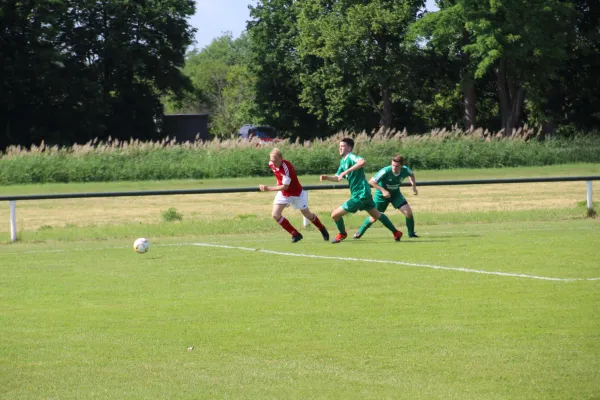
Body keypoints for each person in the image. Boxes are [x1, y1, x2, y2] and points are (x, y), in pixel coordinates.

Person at [319, 138, 403, 244]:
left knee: (335, 215)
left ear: (349, 148)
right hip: (363, 192)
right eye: (339, 146)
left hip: (360, 193)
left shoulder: (351, 156)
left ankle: (342, 233)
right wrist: (327, 177)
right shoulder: (343, 161)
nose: (340, 148)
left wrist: (346, 171)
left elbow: (362, 161)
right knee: (376, 214)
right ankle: (396, 232)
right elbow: (338, 177)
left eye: (343, 146)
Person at [259, 148, 330, 243]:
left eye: (275, 160)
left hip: (296, 193)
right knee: (275, 215)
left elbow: (285, 186)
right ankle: (295, 234)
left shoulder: (286, 168)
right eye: (272, 160)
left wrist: (268, 188)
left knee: (307, 214)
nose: (273, 163)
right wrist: (277, 182)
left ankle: (322, 229)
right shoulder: (271, 164)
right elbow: (278, 176)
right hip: (284, 194)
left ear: (281, 158)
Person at [354, 155, 419, 239]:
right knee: (374, 217)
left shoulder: (405, 169)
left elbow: (411, 174)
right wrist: (383, 191)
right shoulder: (385, 171)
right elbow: (371, 182)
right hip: (381, 196)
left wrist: (413, 186)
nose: (394, 168)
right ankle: (360, 232)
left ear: (402, 166)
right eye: (393, 165)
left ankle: (411, 234)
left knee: (408, 213)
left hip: (396, 195)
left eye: (397, 166)